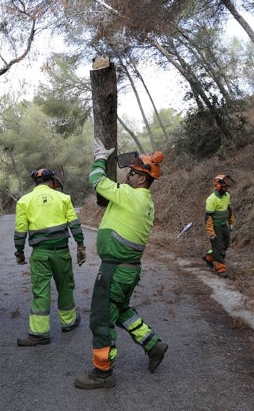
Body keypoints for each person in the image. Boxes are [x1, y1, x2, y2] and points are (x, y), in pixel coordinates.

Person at [74, 140, 168, 389]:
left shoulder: (130, 196)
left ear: (143, 179)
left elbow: (96, 180)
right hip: (128, 270)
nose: (128, 175)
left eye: (133, 172)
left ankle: (102, 373)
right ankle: (152, 344)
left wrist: (99, 159)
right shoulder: (144, 201)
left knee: (101, 319)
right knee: (122, 311)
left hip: (115, 270)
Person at [14, 168, 86, 346]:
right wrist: (80, 246)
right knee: (65, 287)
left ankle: (39, 334)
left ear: (35, 183)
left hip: (40, 255)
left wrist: (20, 252)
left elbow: (20, 230)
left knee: (41, 291)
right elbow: (75, 225)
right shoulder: (64, 198)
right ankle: (68, 323)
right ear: (52, 180)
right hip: (61, 252)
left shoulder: (24, 201)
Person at [202, 174, 234, 278]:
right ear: (218, 186)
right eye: (224, 187)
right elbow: (208, 218)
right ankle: (221, 268)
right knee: (218, 247)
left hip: (223, 224)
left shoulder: (227, 196)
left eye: (227, 187)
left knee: (226, 244)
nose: (226, 189)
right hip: (215, 226)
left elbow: (229, 209)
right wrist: (211, 232)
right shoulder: (211, 199)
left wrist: (231, 222)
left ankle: (209, 257)